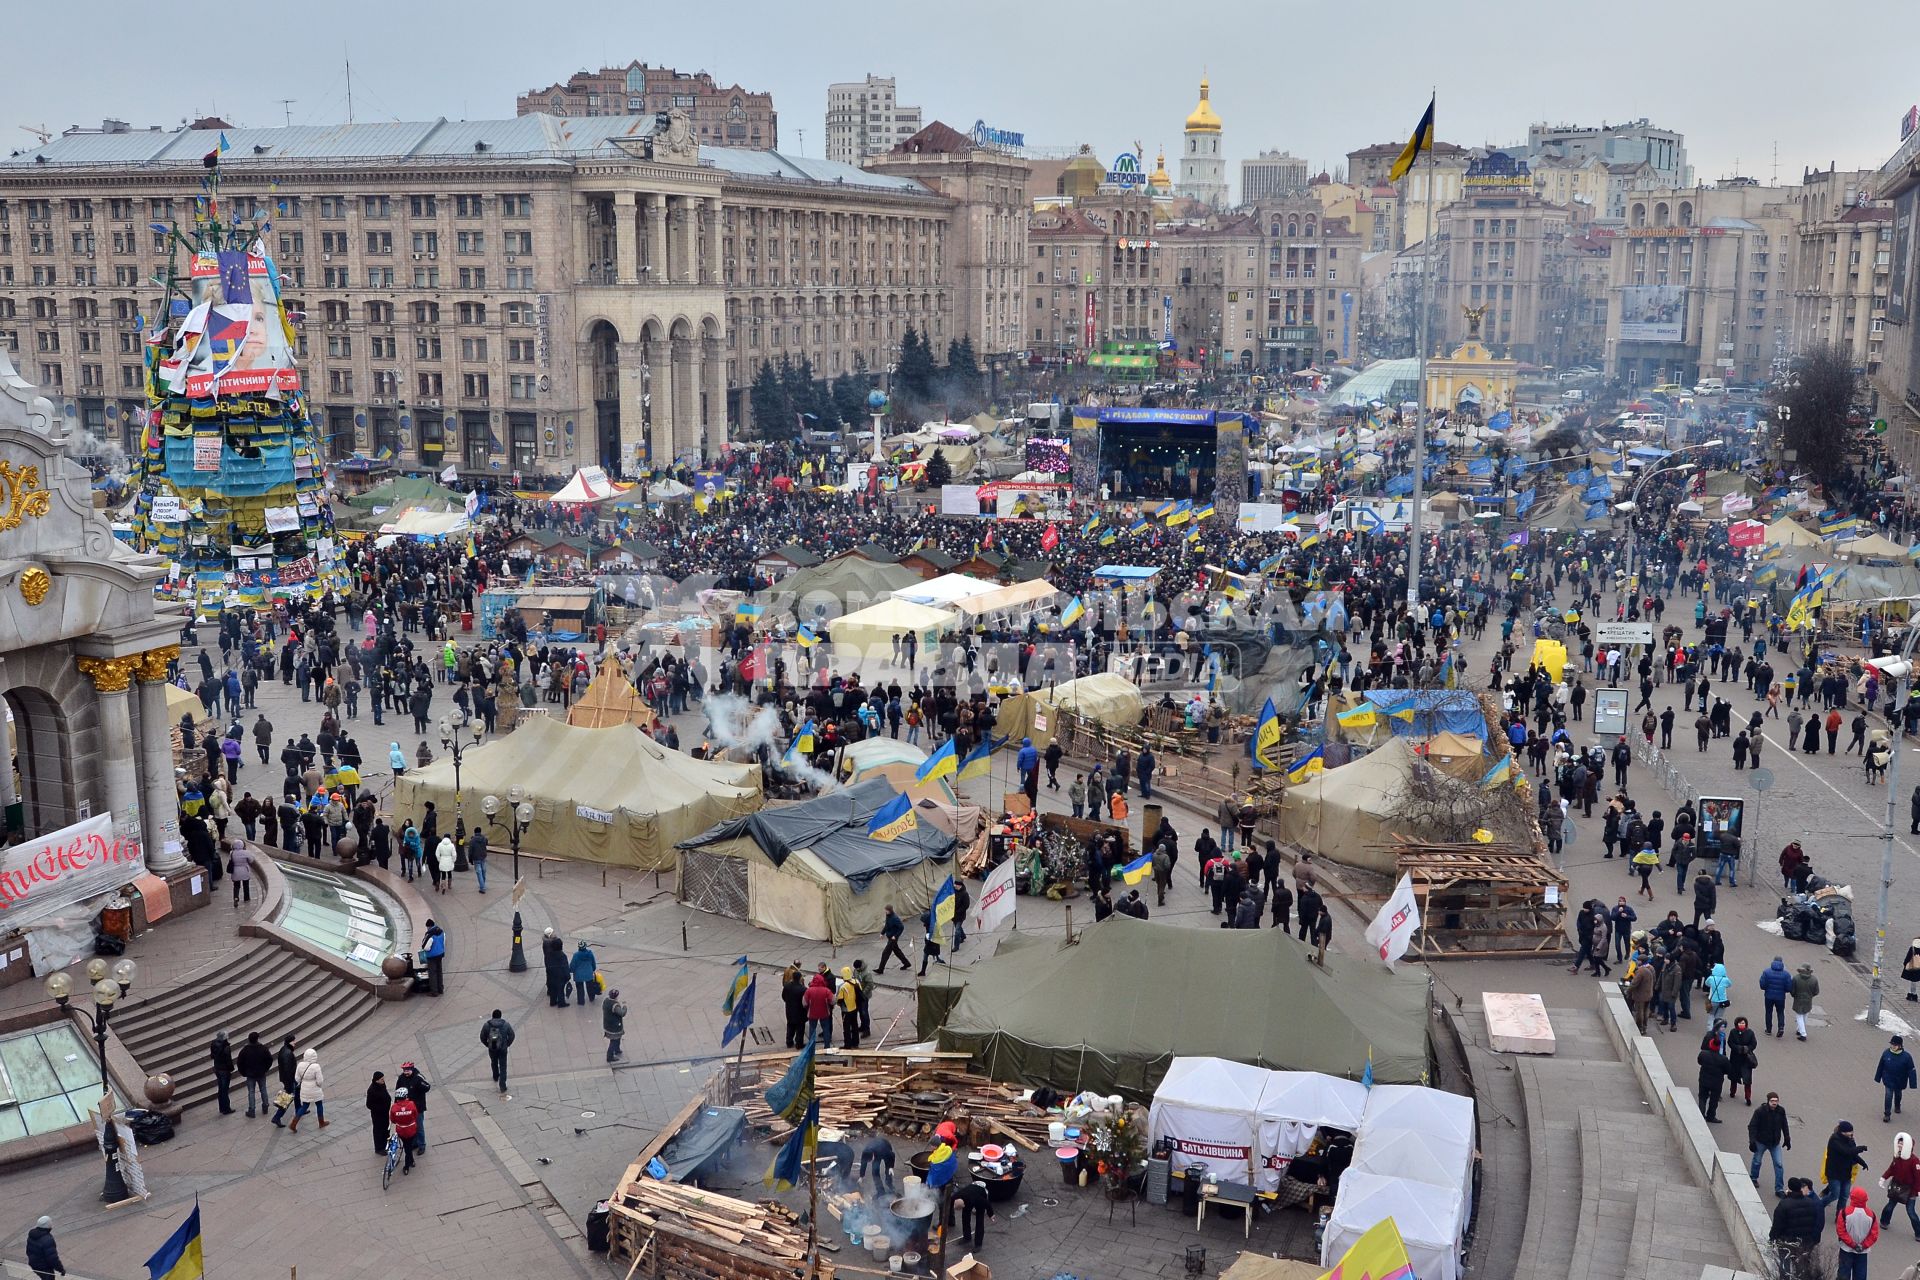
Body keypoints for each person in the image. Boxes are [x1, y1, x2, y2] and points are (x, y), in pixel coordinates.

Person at [1770, 1179, 1821, 1276]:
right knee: (1800, 1264)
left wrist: (1772, 1237)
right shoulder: (1811, 1203)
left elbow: (1777, 1224)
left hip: (1787, 1240)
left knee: (1785, 1263)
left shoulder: (1784, 1204)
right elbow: (1814, 1221)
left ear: (1789, 1188)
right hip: (1804, 1240)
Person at [1749, 1091, 1792, 1197]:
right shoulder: (1760, 1111)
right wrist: (1752, 1141)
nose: (1774, 1103)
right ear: (1768, 1101)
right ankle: (1754, 1178)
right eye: (1772, 1101)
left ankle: (1779, 1189)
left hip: (1774, 1143)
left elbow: (1784, 1124)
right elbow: (1752, 1126)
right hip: (1761, 1141)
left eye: (1776, 1101)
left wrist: (1787, 1138)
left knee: (1779, 1164)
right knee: (1757, 1161)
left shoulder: (1781, 1111)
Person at [1823, 1120, 1871, 1211]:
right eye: (1849, 1131)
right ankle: (1820, 1205)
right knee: (1835, 1195)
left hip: (1846, 1173)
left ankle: (1840, 1216)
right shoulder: (1834, 1140)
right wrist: (1861, 1148)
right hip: (1834, 1173)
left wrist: (1862, 1162)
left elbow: (1852, 1154)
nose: (1851, 1133)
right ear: (1843, 1132)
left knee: (1844, 1196)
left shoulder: (1850, 1140)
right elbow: (1847, 1151)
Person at [1881, 1131, 1920, 1240]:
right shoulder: (1897, 1157)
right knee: (1890, 1206)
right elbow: (1891, 1169)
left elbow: (1918, 1177)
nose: (1899, 1145)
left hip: (1910, 1190)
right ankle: (1884, 1221)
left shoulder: (1914, 1161)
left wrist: (1917, 1191)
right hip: (1897, 1186)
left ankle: (1919, 1232)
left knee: (1911, 1212)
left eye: (1902, 1144)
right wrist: (1883, 1177)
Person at [1835, 1184, 1881, 1278]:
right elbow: (1874, 1234)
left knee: (1843, 1274)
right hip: (1862, 1251)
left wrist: (1853, 1244)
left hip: (1846, 1249)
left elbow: (1841, 1231)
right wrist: (1863, 1245)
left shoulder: (1844, 1212)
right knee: (1860, 1275)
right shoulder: (1871, 1214)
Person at [1880, 1036, 1919, 1122]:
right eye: (1892, 1044)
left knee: (1898, 1094)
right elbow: (1881, 1065)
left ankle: (1897, 1105)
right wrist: (1878, 1077)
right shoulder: (1886, 1053)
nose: (1893, 1046)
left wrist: (1913, 1084)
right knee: (1888, 1096)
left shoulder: (1906, 1057)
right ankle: (1887, 1114)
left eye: (1895, 1045)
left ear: (1900, 1046)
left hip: (1900, 1081)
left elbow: (1911, 1070)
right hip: (1888, 1080)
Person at [395, 1062, 431, 1149]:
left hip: (418, 1108)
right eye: (404, 1070)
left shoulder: (418, 1078)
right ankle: (414, 1143)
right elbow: (398, 1092)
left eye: (407, 1070)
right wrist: (396, 1104)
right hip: (407, 1108)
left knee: (419, 1127)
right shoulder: (401, 1078)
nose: (406, 1072)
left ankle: (421, 1145)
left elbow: (427, 1087)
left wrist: (420, 1086)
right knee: (411, 1127)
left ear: (412, 1069)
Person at [236, 1030, 272, 1118]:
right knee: (263, 1089)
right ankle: (265, 1106)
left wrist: (244, 1073)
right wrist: (265, 1069)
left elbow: (239, 1063)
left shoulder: (245, 1050)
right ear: (257, 1039)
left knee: (251, 1092)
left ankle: (252, 1110)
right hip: (261, 1073)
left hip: (250, 1074)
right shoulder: (263, 1048)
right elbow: (269, 1060)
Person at [289, 1047, 326, 1131]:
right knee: (319, 1104)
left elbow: (297, 1079)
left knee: (305, 1106)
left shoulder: (300, 1065)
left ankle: (293, 1123)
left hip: (305, 1088)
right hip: (315, 1089)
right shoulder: (316, 1066)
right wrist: (318, 1086)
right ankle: (321, 1122)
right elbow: (320, 1081)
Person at [481, 1008, 515, 1093]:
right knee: (503, 1066)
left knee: (494, 1062)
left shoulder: (487, 1025)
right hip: (503, 1049)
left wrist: (487, 1044)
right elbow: (512, 1035)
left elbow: (482, 1037)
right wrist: (507, 1044)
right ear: (500, 1016)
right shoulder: (506, 1024)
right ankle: (502, 1086)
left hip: (492, 1048)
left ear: (492, 1016)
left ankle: (495, 1076)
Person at [955, 1179, 995, 1251]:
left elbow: (987, 1203)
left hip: (981, 1194)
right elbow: (949, 1202)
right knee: (965, 1217)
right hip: (970, 1194)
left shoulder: (976, 1199)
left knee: (979, 1220)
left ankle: (978, 1244)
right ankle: (967, 1237)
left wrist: (991, 1214)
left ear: (964, 1204)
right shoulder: (957, 1196)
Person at [390, 1086, 421, 1174]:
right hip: (411, 1130)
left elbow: (392, 1120)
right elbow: (415, 1115)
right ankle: (409, 1163)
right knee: (408, 1148)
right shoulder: (411, 1104)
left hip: (401, 1131)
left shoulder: (394, 1107)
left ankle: (408, 1164)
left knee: (407, 1147)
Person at [1760, 957, 1794, 1038]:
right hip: (1780, 997)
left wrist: (1766, 989)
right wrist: (1784, 991)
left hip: (1768, 996)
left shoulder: (1766, 972)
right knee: (1780, 1012)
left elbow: (1762, 985)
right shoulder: (1786, 974)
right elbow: (1789, 988)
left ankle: (1768, 1029)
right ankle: (1781, 1028)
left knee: (1768, 1012)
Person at [270, 1034, 298, 1126]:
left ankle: (300, 1108)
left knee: (296, 1091)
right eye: (294, 1041)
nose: (295, 1042)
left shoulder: (284, 1049)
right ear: (290, 1042)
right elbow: (287, 1069)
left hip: (288, 1078)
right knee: (287, 1098)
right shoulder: (287, 1053)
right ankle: (277, 1117)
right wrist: (290, 1081)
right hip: (289, 1079)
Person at [803, 968, 835, 1045]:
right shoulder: (826, 990)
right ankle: (827, 1046)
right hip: (824, 1013)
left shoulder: (809, 991)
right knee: (826, 1029)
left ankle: (811, 1046)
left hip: (812, 1013)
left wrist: (807, 1008)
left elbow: (804, 1003)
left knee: (812, 1029)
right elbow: (833, 1001)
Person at [25, 1216, 62, 1280]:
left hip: (34, 1264)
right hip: (44, 1268)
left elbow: (28, 1251)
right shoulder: (48, 1239)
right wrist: (60, 1269)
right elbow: (53, 1258)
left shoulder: (32, 1234)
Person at [878, 905, 911, 973]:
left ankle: (881, 969)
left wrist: (895, 936)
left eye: (886, 910)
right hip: (890, 936)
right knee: (897, 951)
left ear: (889, 910)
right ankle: (906, 963)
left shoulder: (895, 918)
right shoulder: (888, 916)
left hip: (893, 938)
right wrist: (882, 933)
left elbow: (901, 927)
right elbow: (886, 925)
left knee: (885, 953)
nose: (885, 911)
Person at [1792, 963, 1821, 1041]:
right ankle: (1799, 1030)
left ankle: (1803, 1033)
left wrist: (1794, 995)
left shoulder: (1796, 978)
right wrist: (1810, 995)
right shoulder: (1814, 979)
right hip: (1808, 1000)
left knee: (1799, 1016)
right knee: (1805, 1015)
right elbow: (1816, 991)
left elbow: (1792, 990)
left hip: (1798, 999)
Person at [209, 1030, 235, 1115]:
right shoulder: (226, 1047)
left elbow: (212, 1055)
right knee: (225, 1090)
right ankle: (226, 1108)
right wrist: (231, 1068)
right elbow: (228, 1060)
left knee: (221, 1089)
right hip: (224, 1069)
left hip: (217, 1068)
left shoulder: (213, 1044)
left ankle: (221, 1108)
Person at [781, 964, 807, 1048]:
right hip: (800, 1011)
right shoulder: (803, 989)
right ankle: (799, 1044)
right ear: (800, 978)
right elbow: (805, 1001)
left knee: (790, 1026)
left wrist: (788, 1002)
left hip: (789, 1010)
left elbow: (783, 996)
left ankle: (789, 1042)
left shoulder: (787, 986)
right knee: (800, 1029)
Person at [366, 1071, 391, 1157]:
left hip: (385, 1113)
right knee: (378, 1130)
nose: (383, 1080)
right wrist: (380, 1109)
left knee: (386, 1128)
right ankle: (379, 1148)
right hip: (378, 1115)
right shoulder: (372, 1090)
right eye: (381, 1079)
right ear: (377, 1080)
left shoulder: (382, 1085)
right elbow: (369, 1104)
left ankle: (386, 1144)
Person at [419, 919, 446, 995]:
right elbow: (443, 941)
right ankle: (440, 989)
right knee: (439, 971)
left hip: (432, 956)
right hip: (440, 954)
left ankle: (434, 991)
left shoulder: (430, 934)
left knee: (433, 973)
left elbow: (425, 947)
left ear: (428, 926)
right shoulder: (441, 931)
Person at [570, 940, 598, 1008]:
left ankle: (581, 1001)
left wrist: (571, 970)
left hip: (578, 975)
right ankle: (591, 998)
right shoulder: (590, 954)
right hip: (588, 973)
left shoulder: (576, 955)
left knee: (580, 988)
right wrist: (593, 969)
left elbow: (572, 965)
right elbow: (593, 963)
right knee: (590, 987)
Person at [603, 989, 628, 1063]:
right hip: (614, 1027)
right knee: (613, 1041)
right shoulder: (615, 1005)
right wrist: (624, 1006)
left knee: (617, 1038)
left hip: (607, 1024)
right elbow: (622, 1013)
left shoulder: (606, 1001)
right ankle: (610, 1056)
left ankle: (617, 1049)